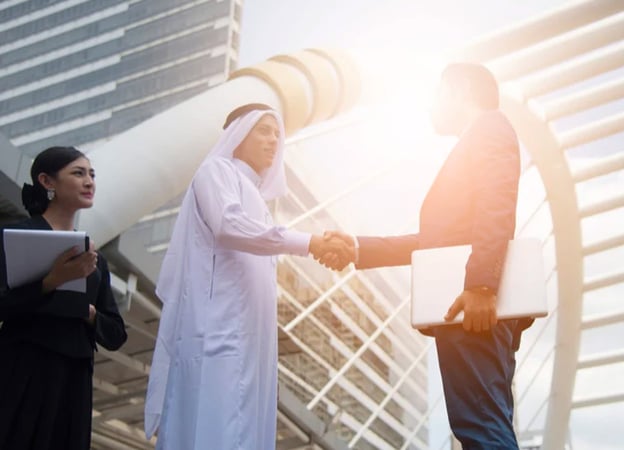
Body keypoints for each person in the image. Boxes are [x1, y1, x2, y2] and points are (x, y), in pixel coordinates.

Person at [322, 63, 532, 449]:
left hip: (471, 306)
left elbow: (496, 208)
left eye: (438, 93)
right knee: (482, 425)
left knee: (481, 427)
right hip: (469, 304)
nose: (431, 105)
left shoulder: (489, 129)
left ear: (461, 90)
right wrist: (358, 248)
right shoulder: (481, 136)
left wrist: (482, 285)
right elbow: (440, 240)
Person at [144, 104, 351, 450]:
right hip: (218, 334)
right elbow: (229, 224)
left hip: (252, 342)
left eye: (277, 133)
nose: (274, 140)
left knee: (247, 429)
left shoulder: (256, 198)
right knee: (214, 425)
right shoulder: (217, 171)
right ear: (238, 134)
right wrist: (311, 242)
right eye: (264, 130)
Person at [0, 146, 128, 450]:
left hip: (74, 376)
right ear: (47, 181)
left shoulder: (95, 257)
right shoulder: (15, 236)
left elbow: (116, 333)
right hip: (22, 367)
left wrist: (88, 312)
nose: (89, 181)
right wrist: (52, 281)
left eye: (92, 175)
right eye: (78, 173)